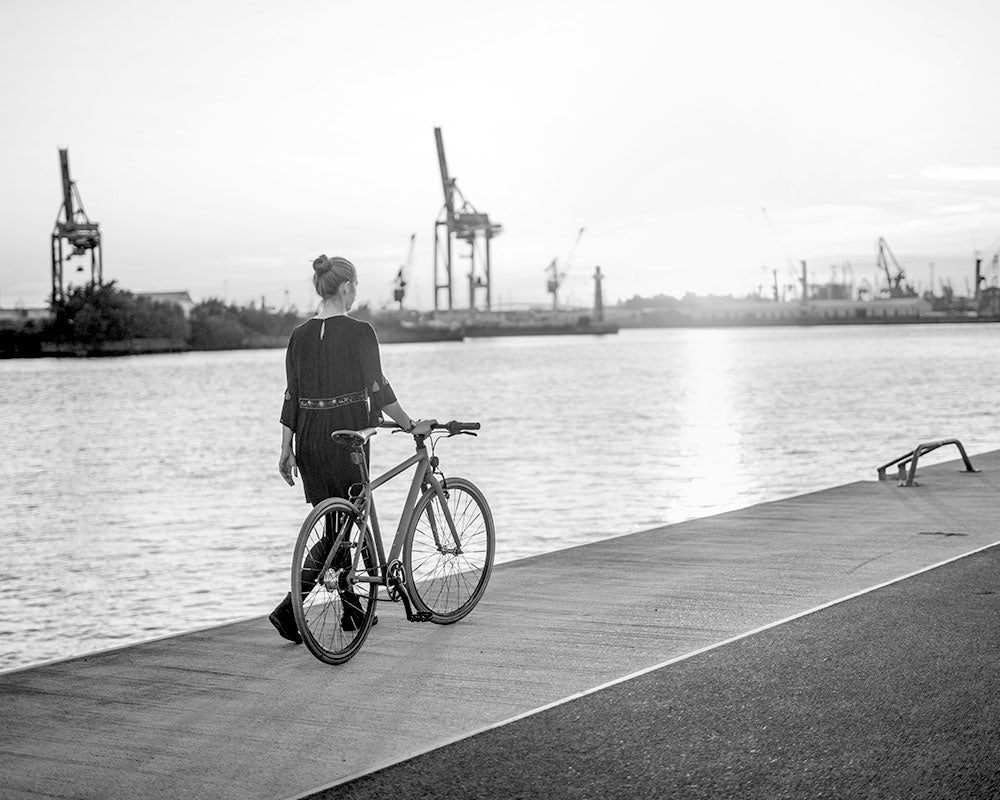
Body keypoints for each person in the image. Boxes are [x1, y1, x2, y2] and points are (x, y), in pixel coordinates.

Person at [268, 255, 429, 644]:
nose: (357, 292)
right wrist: (410, 424)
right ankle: (290, 612)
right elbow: (378, 387)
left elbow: (293, 394)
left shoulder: (299, 335)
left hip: (308, 437)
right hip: (347, 436)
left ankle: (353, 610)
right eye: (355, 286)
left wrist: (285, 448)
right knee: (344, 521)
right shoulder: (361, 332)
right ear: (345, 287)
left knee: (338, 521)